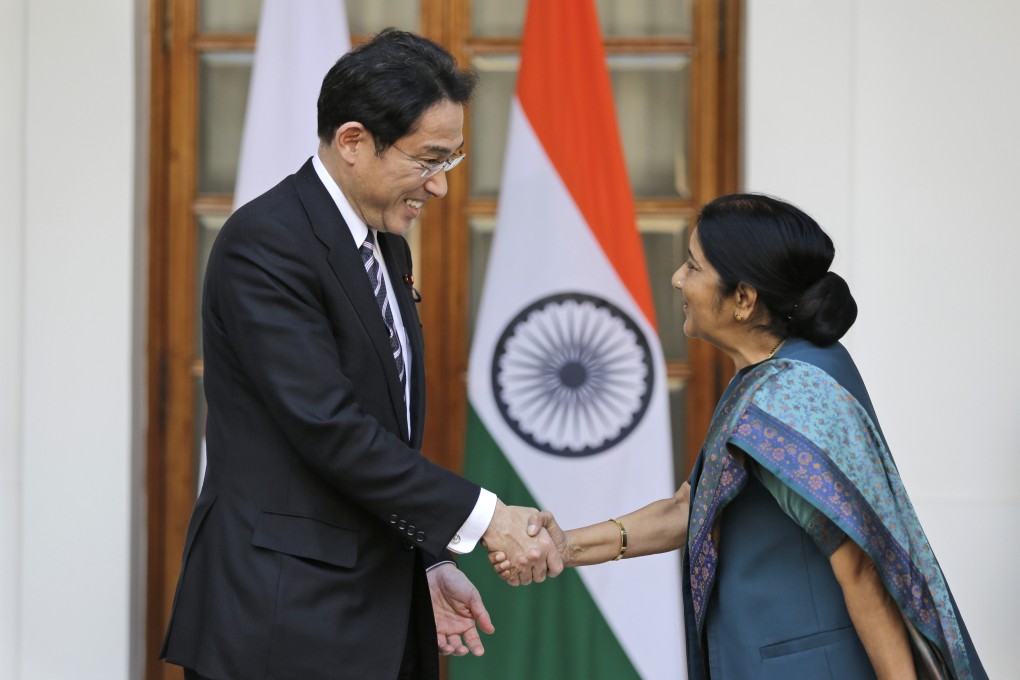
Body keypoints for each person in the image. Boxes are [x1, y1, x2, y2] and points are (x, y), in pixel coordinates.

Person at [160, 29, 561, 680]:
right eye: (428, 161)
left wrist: (429, 561)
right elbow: (330, 427)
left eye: (450, 162)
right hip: (283, 617)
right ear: (352, 142)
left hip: (374, 605)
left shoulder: (383, 242)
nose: (438, 188)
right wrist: (486, 517)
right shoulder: (266, 244)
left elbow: (384, 428)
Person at [490, 194, 987, 679]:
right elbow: (690, 508)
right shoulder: (767, 376)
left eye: (693, 266)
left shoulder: (790, 394)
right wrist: (565, 545)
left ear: (744, 299)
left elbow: (861, 571)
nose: (677, 279)